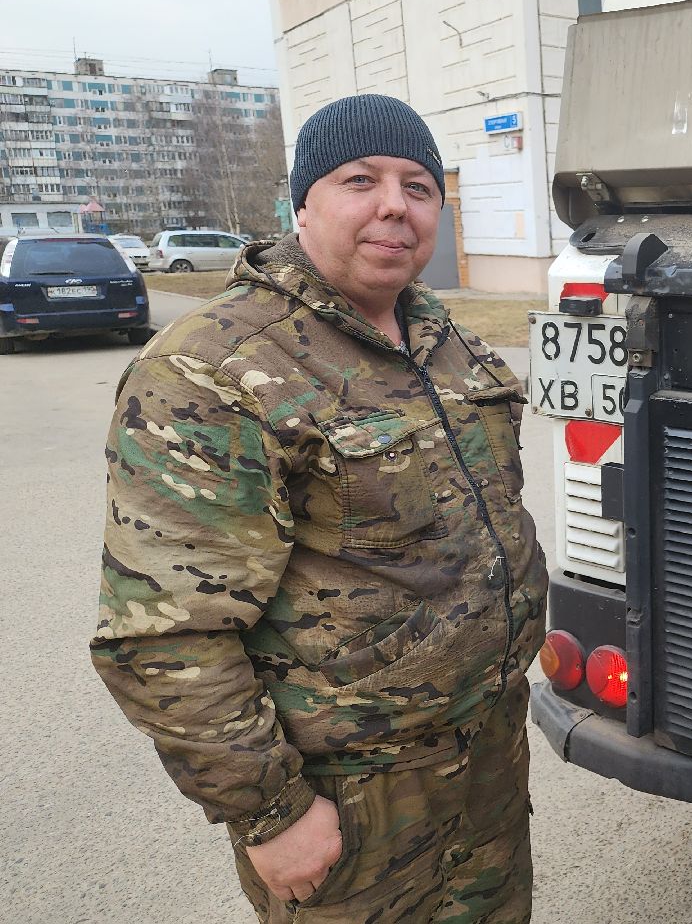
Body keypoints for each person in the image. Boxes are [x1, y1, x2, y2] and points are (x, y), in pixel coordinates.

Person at [90, 94, 548, 923]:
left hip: (488, 761)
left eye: (418, 186)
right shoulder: (214, 369)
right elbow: (165, 636)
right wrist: (271, 814)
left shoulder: (446, 343)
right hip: (352, 805)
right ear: (302, 205)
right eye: (359, 180)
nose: (394, 206)